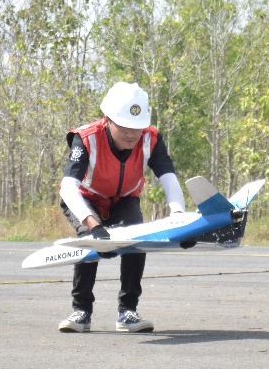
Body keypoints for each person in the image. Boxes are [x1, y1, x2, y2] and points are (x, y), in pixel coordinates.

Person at [56, 81, 187, 332]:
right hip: (86, 198)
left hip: (125, 198)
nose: (131, 134)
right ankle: (81, 311)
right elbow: (68, 187)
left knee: (136, 238)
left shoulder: (150, 138)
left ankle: (128, 312)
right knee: (89, 243)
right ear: (108, 120)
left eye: (137, 128)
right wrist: (93, 226)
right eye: (124, 127)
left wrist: (178, 215)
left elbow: (168, 177)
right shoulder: (86, 138)